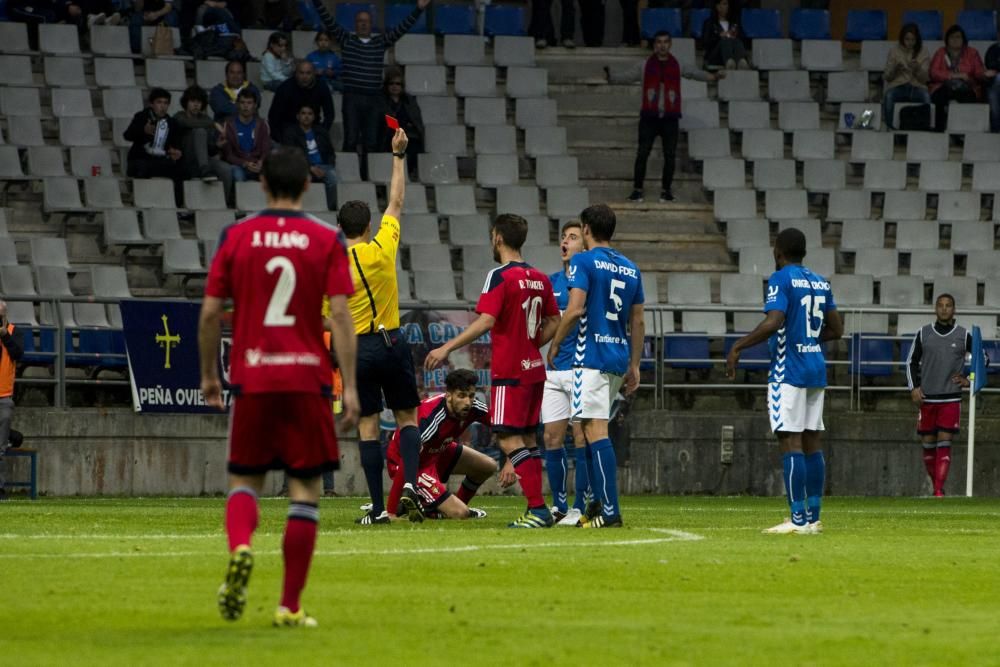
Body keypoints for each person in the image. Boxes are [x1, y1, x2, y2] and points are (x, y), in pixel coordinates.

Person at [199, 146, 360, 628]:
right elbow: (343, 315)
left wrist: (210, 374)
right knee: (304, 492)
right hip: (307, 380)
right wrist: (349, 385)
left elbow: (209, 313)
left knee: (244, 481)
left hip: (253, 376)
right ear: (308, 185)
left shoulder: (237, 235)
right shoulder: (326, 239)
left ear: (263, 184)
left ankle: (242, 546)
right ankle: (289, 605)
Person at [425, 214, 561, 528]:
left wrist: (446, 348)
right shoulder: (541, 277)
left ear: (497, 237)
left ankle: (538, 510)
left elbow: (486, 320)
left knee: (506, 438)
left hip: (511, 371)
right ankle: (540, 509)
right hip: (534, 369)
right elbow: (555, 321)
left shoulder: (499, 276)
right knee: (527, 438)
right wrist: (529, 345)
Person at [726, 227, 842, 535]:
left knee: (790, 441)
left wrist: (738, 346)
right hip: (816, 367)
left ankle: (797, 520)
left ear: (777, 252)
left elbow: (773, 321)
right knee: (812, 440)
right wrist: (808, 339)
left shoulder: (781, 278)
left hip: (788, 371)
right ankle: (813, 517)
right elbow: (837, 329)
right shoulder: (820, 281)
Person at [338, 129, 426, 525]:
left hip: (358, 349)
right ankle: (408, 485)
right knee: (407, 418)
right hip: (392, 340)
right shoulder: (383, 246)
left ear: (341, 229)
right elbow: (397, 200)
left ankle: (377, 509)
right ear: (369, 224)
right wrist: (397, 155)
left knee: (369, 428)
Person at [547, 204, 644, 529]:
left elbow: (574, 311)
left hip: (590, 357)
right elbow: (638, 319)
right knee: (592, 432)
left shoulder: (583, 261)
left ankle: (610, 511)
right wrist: (635, 364)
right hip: (618, 358)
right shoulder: (631, 268)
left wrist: (557, 342)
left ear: (586, 230)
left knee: (593, 431)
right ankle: (597, 504)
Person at [310, 0, 430, 155]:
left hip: (374, 98)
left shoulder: (380, 42)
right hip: (352, 97)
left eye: (366, 21)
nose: (363, 24)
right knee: (351, 139)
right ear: (355, 24)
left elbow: (401, 29)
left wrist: (418, 9)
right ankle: (350, 175)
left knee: (371, 141)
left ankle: (369, 176)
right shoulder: (346, 40)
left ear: (371, 23)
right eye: (360, 21)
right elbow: (328, 20)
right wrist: (317, 3)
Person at [384, 369, 497, 520]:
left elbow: (502, 425)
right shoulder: (431, 419)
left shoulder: (474, 407)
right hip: (412, 464)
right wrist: (391, 511)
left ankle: (450, 505)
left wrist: (510, 460)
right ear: (449, 395)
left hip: (436, 452)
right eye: (461, 396)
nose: (467, 402)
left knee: (488, 465)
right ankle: (424, 509)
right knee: (460, 513)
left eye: (471, 396)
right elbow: (408, 458)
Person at [541, 221, 596, 526]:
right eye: (563, 237)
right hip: (554, 368)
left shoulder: (588, 279)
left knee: (580, 436)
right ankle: (560, 505)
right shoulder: (551, 282)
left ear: (584, 246)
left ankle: (580, 505)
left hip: (581, 366)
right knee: (551, 436)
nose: (565, 241)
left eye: (573, 237)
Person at [627, 31, 722, 203]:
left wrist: (712, 77)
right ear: (654, 45)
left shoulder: (678, 65)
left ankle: (666, 191)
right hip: (649, 117)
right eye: (658, 42)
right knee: (642, 154)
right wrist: (611, 77)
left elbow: (695, 73)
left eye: (665, 42)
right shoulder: (645, 65)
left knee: (669, 156)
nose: (662, 45)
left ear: (670, 44)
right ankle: (637, 189)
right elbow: (627, 76)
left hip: (670, 117)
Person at [905, 294, 981, 497]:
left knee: (944, 443)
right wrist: (914, 387)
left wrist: (969, 380)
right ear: (935, 309)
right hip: (927, 398)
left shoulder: (963, 335)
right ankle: (936, 487)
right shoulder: (924, 333)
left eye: (948, 306)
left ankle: (938, 492)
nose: (944, 309)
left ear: (954, 309)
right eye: (941, 305)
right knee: (928, 446)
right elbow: (910, 362)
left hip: (950, 399)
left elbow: (982, 358)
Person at [123, 88, 185, 206]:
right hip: (140, 159)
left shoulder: (172, 123)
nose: (163, 106)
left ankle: (178, 206)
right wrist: (143, 130)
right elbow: (127, 135)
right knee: (142, 167)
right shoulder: (141, 117)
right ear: (152, 104)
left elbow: (175, 145)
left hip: (159, 160)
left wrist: (175, 151)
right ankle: (139, 204)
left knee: (180, 170)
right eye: (159, 102)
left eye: (166, 103)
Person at [929, 25, 996, 132]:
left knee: (970, 98)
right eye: (952, 37)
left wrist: (985, 74)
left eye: (958, 37)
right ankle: (939, 130)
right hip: (944, 85)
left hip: (967, 87)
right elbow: (933, 72)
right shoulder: (941, 52)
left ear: (963, 40)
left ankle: (965, 131)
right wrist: (955, 75)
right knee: (939, 97)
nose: (955, 40)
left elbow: (978, 71)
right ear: (947, 40)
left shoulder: (972, 53)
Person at [213, 87, 273, 206]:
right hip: (238, 164)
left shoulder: (261, 124)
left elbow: (265, 148)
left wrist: (261, 162)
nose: (246, 106)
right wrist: (245, 163)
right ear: (237, 104)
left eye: (249, 103)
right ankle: (239, 207)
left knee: (273, 173)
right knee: (238, 175)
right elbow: (228, 155)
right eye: (242, 103)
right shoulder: (229, 125)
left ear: (255, 105)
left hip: (257, 164)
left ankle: (267, 209)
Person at [283, 104, 337, 210]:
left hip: (323, 166)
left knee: (333, 179)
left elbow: (331, 153)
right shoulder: (290, 132)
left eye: (309, 114)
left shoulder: (321, 132)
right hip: (301, 167)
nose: (306, 116)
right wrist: (310, 168)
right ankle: (294, 211)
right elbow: (291, 156)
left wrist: (328, 166)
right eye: (303, 113)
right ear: (298, 116)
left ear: (314, 117)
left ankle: (331, 210)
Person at [267, 60, 335, 145]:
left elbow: (329, 114)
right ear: (296, 74)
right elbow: (273, 116)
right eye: (301, 73)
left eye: (308, 73)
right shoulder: (285, 88)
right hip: (289, 128)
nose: (304, 77)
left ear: (314, 74)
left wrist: (321, 134)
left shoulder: (322, 87)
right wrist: (280, 139)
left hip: (313, 127)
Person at [882, 23, 931, 130]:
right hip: (899, 86)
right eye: (907, 39)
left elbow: (925, 79)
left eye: (913, 39)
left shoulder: (924, 51)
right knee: (889, 96)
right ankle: (890, 127)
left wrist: (917, 69)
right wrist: (895, 69)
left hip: (917, 86)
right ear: (902, 39)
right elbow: (887, 77)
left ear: (917, 39)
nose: (910, 42)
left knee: (926, 96)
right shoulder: (894, 51)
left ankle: (926, 127)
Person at [378, 66, 424, 176]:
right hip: (388, 136)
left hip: (407, 135)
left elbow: (416, 121)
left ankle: (410, 173)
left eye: (398, 84)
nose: (395, 86)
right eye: (391, 83)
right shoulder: (381, 101)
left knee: (413, 146)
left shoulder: (409, 101)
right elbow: (385, 121)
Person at [0, 301, 24, 502]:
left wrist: (4, 335)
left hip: (3, 396)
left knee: (0, 448)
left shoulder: (14, 332)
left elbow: (18, 354)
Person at [173, 85, 221, 182]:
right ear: (186, 102)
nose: (196, 105)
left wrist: (217, 145)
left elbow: (210, 149)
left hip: (205, 159)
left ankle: (227, 197)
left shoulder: (206, 119)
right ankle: (204, 169)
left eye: (199, 102)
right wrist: (214, 123)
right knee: (199, 131)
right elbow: (187, 123)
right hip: (184, 160)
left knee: (226, 170)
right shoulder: (179, 116)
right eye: (192, 101)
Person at [701, 0, 749, 70]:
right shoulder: (709, 23)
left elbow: (744, 40)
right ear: (718, 7)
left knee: (737, 41)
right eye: (724, 4)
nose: (727, 6)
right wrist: (719, 36)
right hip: (716, 56)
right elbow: (705, 42)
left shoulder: (734, 23)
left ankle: (741, 61)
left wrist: (735, 36)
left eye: (727, 4)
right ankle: (729, 62)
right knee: (725, 40)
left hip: (734, 54)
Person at [984, 40, 1000, 131]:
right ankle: (996, 130)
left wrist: (997, 69)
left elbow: (994, 67)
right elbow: (990, 64)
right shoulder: (993, 49)